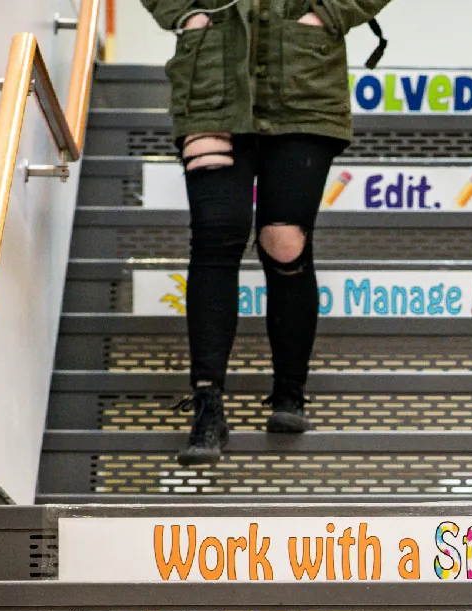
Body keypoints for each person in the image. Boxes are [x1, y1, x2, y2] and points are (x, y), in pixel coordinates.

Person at [141, 0, 392, 466]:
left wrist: (330, 14)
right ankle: (207, 406)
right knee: (217, 235)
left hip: (304, 83)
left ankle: (290, 395)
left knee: (285, 240)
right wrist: (184, 13)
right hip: (211, 79)